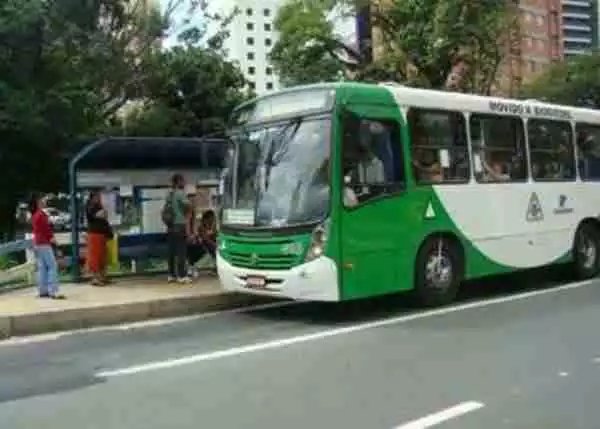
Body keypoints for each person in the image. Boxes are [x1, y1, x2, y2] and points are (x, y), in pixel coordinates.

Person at [29, 194, 65, 299]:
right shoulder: (41, 214)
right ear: (38, 202)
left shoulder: (35, 214)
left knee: (42, 267)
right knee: (52, 265)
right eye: (42, 199)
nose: (44, 201)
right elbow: (46, 229)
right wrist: (52, 239)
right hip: (44, 242)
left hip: (37, 243)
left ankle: (43, 290)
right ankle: (53, 291)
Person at [165, 174, 192, 284]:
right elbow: (188, 205)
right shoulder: (180, 194)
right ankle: (182, 275)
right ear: (179, 182)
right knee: (181, 251)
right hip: (179, 225)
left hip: (170, 226)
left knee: (171, 252)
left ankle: (171, 275)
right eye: (183, 181)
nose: (184, 183)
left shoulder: (169, 194)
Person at [86, 191, 112, 286]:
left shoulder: (99, 205)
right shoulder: (90, 206)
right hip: (95, 234)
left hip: (102, 235)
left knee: (102, 257)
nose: (99, 198)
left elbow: (105, 216)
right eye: (98, 196)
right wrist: (103, 212)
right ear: (93, 197)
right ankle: (95, 278)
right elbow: (99, 215)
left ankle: (102, 276)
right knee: (95, 257)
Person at [187, 210, 217, 276]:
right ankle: (192, 267)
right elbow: (205, 239)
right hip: (201, 246)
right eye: (211, 218)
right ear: (206, 218)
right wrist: (215, 245)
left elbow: (216, 236)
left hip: (209, 245)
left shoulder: (213, 226)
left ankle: (215, 269)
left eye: (213, 218)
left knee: (215, 251)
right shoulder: (201, 226)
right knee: (195, 250)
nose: (212, 220)